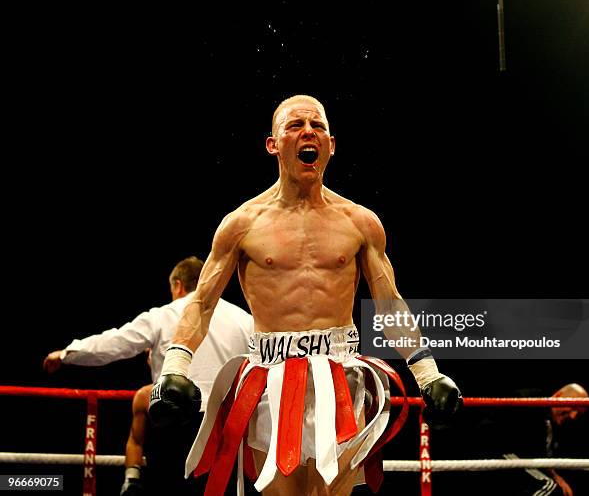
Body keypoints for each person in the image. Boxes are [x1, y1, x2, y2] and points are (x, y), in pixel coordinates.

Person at [149, 95, 462, 495]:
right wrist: (175, 365)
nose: (308, 131)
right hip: (271, 380)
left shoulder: (360, 222)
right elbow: (202, 302)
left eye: (318, 125)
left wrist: (427, 372)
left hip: (343, 376)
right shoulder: (241, 224)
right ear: (273, 144)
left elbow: (389, 302)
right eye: (295, 125)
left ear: (331, 144)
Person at [43, 256, 254, 494]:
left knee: (170, 487)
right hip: (228, 424)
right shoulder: (243, 319)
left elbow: (115, 343)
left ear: (178, 285)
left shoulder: (164, 315)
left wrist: (67, 354)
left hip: (175, 420)